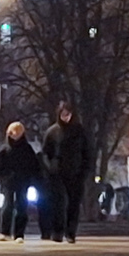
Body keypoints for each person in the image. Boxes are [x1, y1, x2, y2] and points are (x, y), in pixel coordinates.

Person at [38, 102, 94, 243]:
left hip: (76, 173)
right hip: (57, 173)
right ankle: (57, 231)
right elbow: (45, 152)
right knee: (58, 203)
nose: (66, 117)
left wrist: (84, 171)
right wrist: (50, 167)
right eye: (63, 115)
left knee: (73, 204)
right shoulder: (52, 132)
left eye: (68, 114)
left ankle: (70, 232)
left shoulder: (80, 132)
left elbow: (88, 153)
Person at [0, 122, 42, 241]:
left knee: (21, 207)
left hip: (21, 182)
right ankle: (5, 232)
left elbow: (35, 167)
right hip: (9, 182)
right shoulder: (6, 150)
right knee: (8, 205)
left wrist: (38, 182)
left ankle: (18, 233)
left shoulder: (26, 150)